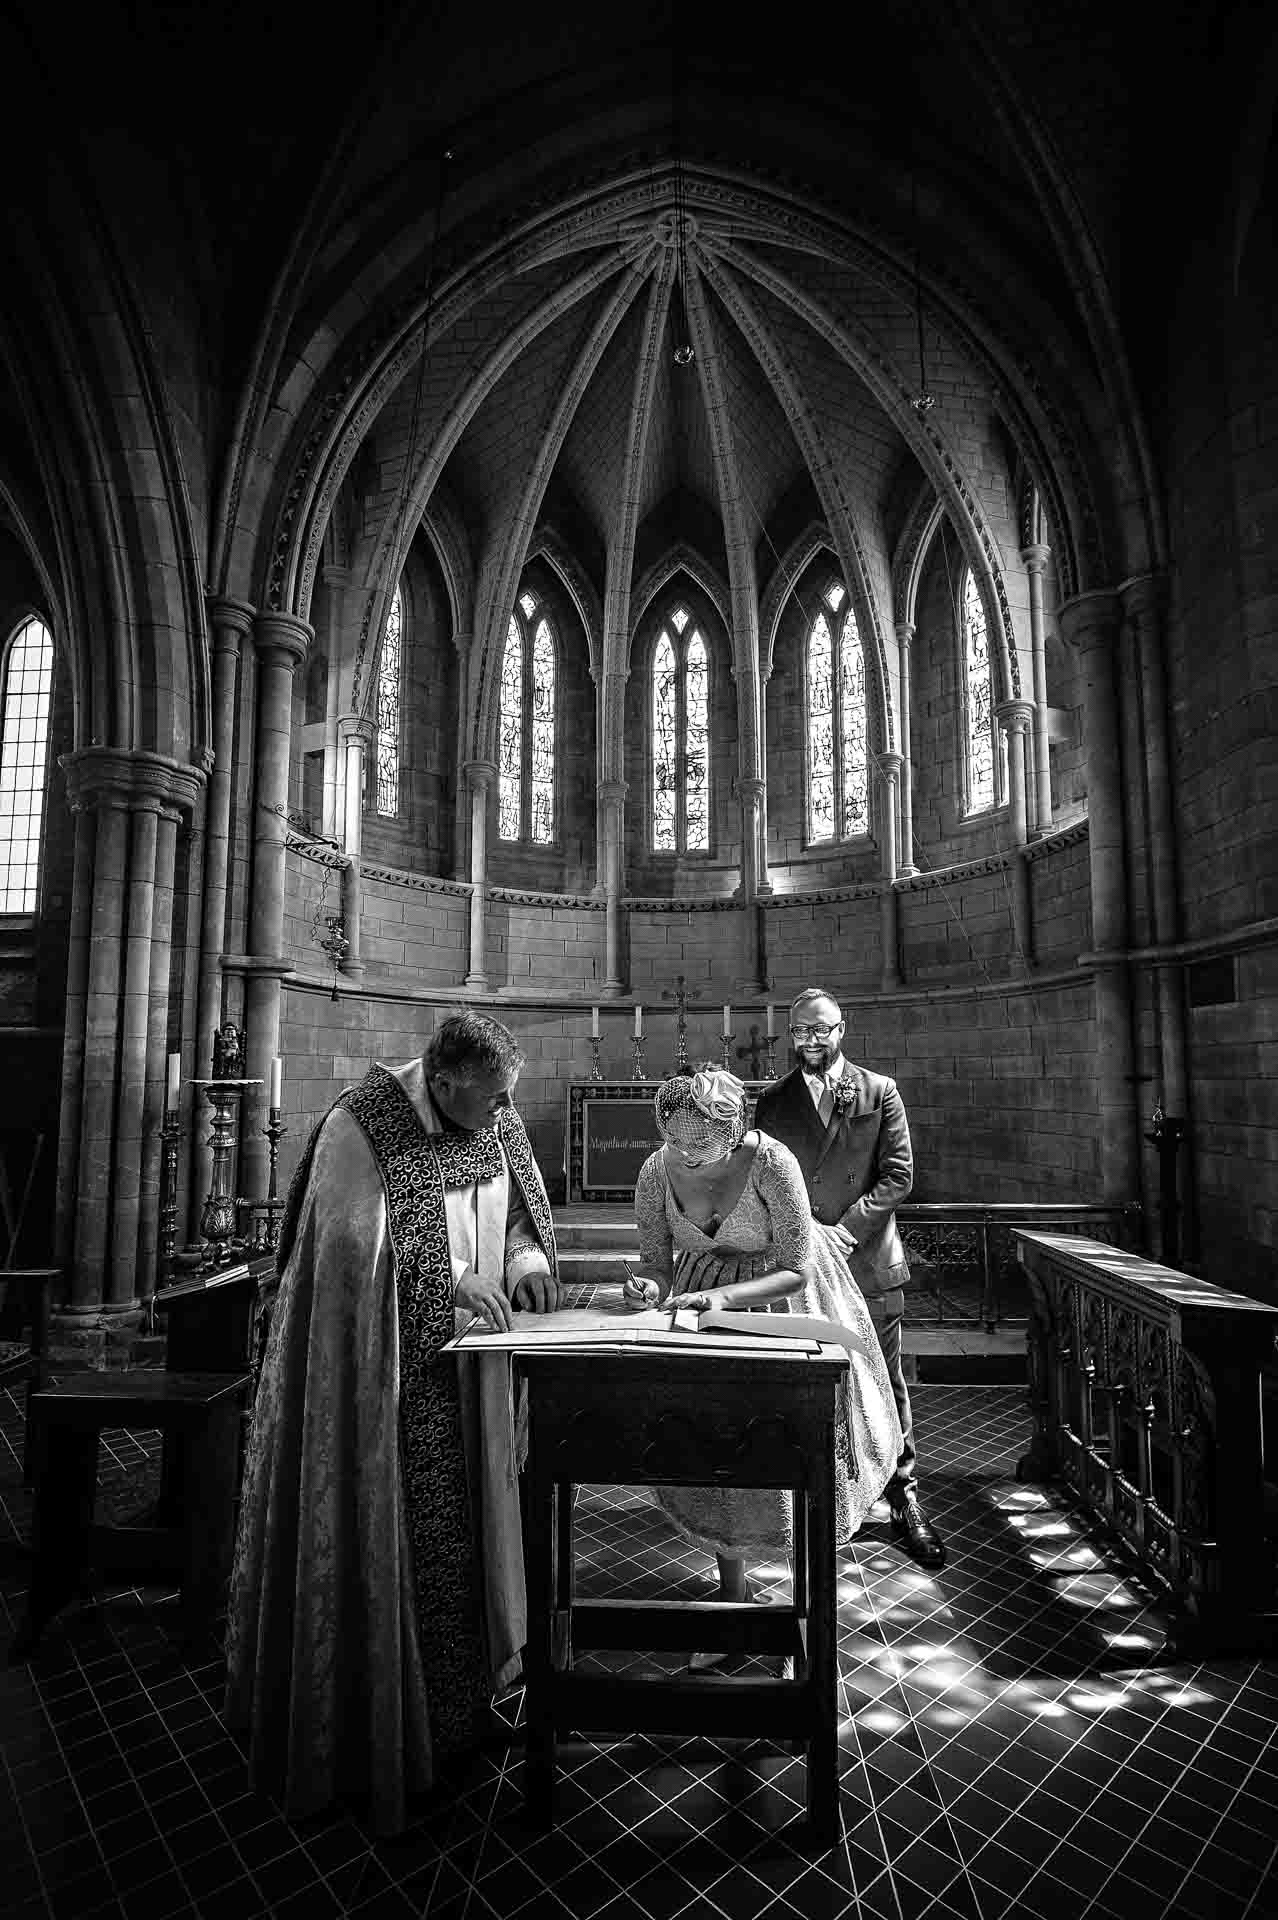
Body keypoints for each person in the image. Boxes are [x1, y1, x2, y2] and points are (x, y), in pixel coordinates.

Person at [224, 1011, 561, 1833]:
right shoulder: (360, 1126)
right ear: (443, 1083)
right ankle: (383, 1728)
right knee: (402, 1539)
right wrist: (448, 1279)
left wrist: (524, 1261)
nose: (502, 1112)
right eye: (490, 1099)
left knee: (480, 1523)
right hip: (386, 1381)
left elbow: (517, 1208)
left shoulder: (494, 1111)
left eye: (506, 1097)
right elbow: (344, 1250)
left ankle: (467, 1703)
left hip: (473, 1375)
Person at [624, 1068, 901, 1650]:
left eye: (702, 1149)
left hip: (786, 1300)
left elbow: (798, 1264)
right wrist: (648, 1287)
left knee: (790, 1444)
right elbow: (655, 1261)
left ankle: (806, 1597)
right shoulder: (656, 1170)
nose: (688, 1160)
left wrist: (724, 1296)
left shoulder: (773, 1163)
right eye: (677, 1145)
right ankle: (732, 1594)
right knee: (713, 1445)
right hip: (703, 1310)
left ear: (735, 1131)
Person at [753, 988, 946, 1569]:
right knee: (811, 1379)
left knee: (885, 1377)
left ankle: (904, 1495)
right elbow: (762, 1174)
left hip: (864, 1260)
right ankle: (828, 1495)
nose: (811, 1041)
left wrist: (846, 1228)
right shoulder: (772, 1100)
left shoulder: (879, 1091)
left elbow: (898, 1174)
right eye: (801, 1033)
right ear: (791, 1036)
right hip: (802, 1267)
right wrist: (805, 1231)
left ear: (842, 1029)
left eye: (822, 1030)